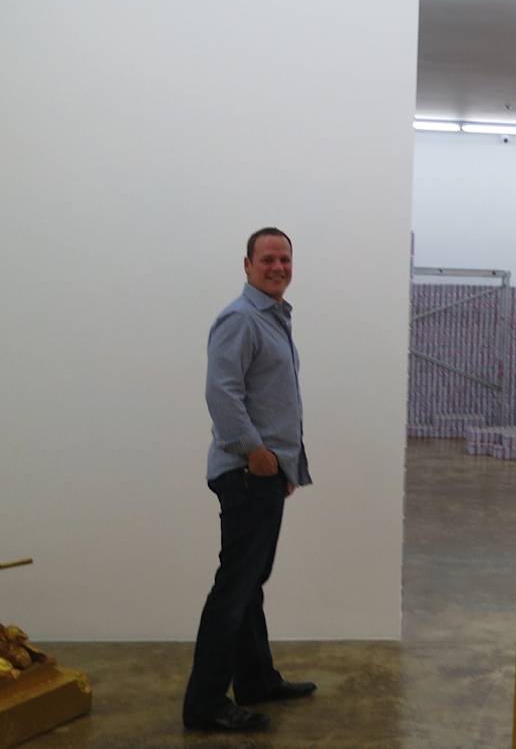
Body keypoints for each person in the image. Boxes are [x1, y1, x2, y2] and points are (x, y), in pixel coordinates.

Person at [182, 227, 316, 733]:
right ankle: (204, 705)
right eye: (268, 259)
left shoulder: (273, 318)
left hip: (264, 473)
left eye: (285, 259)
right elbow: (223, 395)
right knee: (234, 589)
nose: (278, 267)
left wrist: (284, 467)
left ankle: (256, 680)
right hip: (244, 473)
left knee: (249, 583)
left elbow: (273, 399)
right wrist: (257, 455)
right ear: (247, 265)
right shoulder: (240, 319)